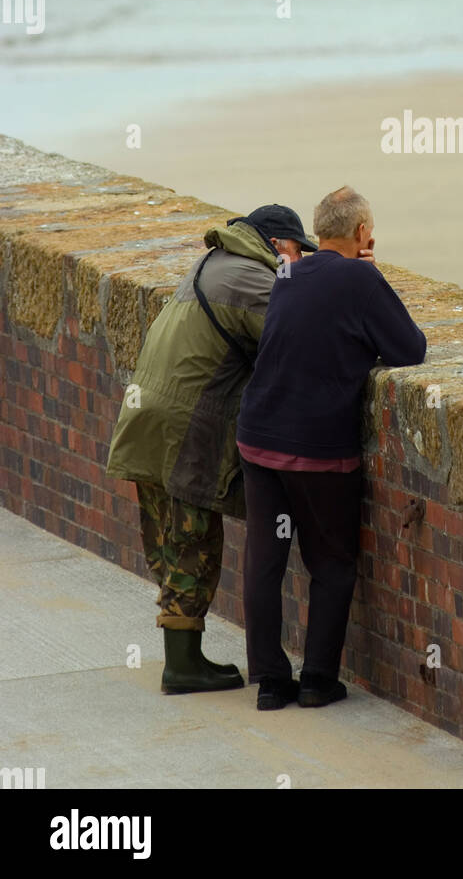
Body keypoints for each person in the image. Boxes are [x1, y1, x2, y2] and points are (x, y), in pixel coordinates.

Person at [106, 205, 317, 694]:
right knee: (193, 541)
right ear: (274, 244)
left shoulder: (215, 263)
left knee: (167, 536)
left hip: (149, 415)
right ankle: (182, 667)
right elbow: (297, 337)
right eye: (295, 251)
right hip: (186, 424)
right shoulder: (250, 277)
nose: (299, 260)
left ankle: (184, 657)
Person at [237, 186, 426, 711]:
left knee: (264, 557)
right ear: (364, 233)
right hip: (319, 446)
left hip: (258, 436)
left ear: (319, 233)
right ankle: (318, 679)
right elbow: (410, 349)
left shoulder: (290, 274)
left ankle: (272, 682)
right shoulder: (362, 277)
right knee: (333, 560)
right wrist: (371, 272)